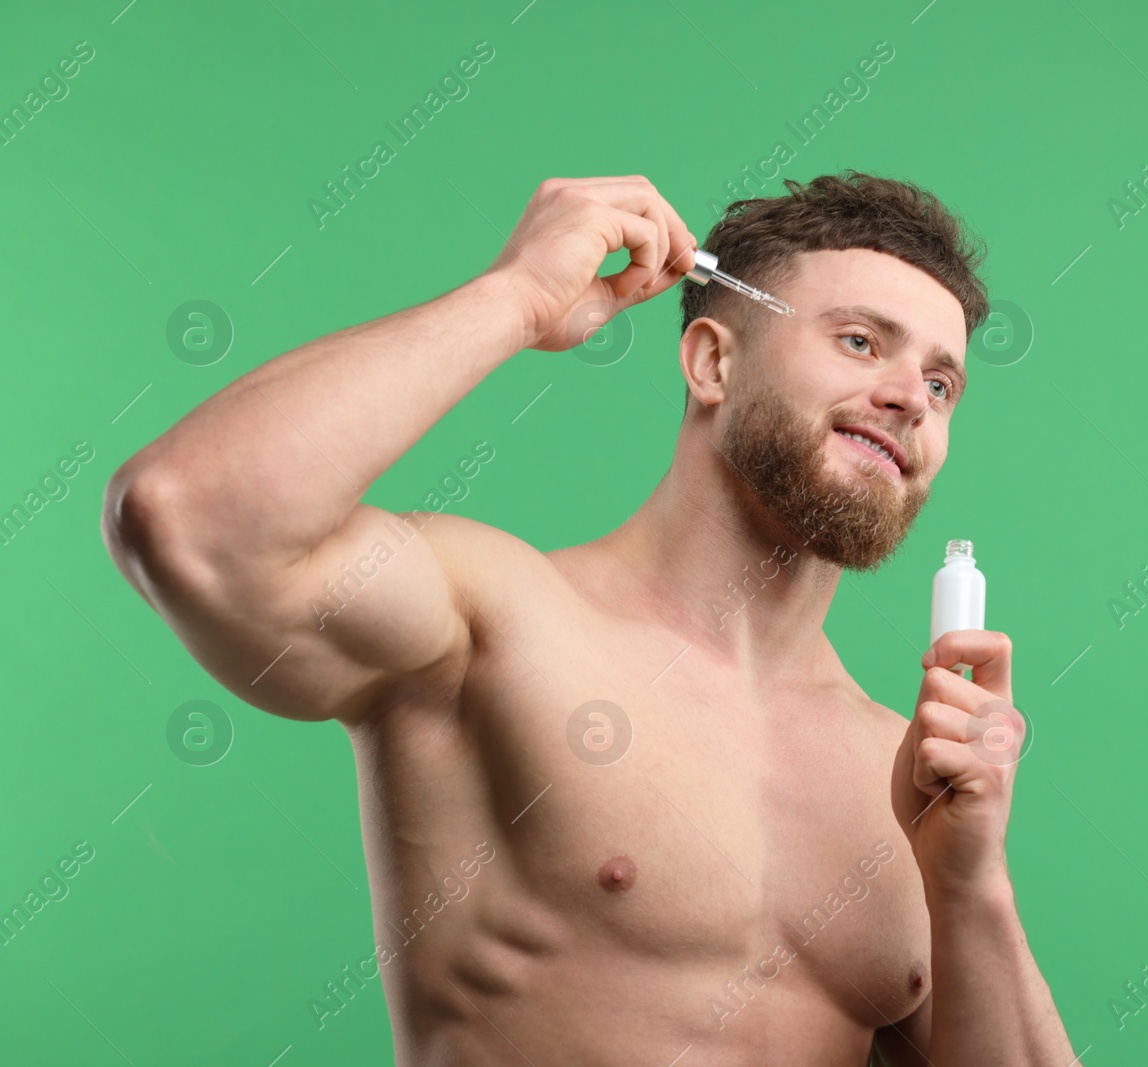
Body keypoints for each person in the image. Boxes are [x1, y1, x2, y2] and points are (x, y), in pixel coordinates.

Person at [101, 171, 1074, 1065]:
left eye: (941, 383)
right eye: (860, 341)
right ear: (710, 363)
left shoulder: (904, 770)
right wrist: (514, 297)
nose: (910, 397)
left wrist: (969, 880)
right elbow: (187, 516)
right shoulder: (497, 621)